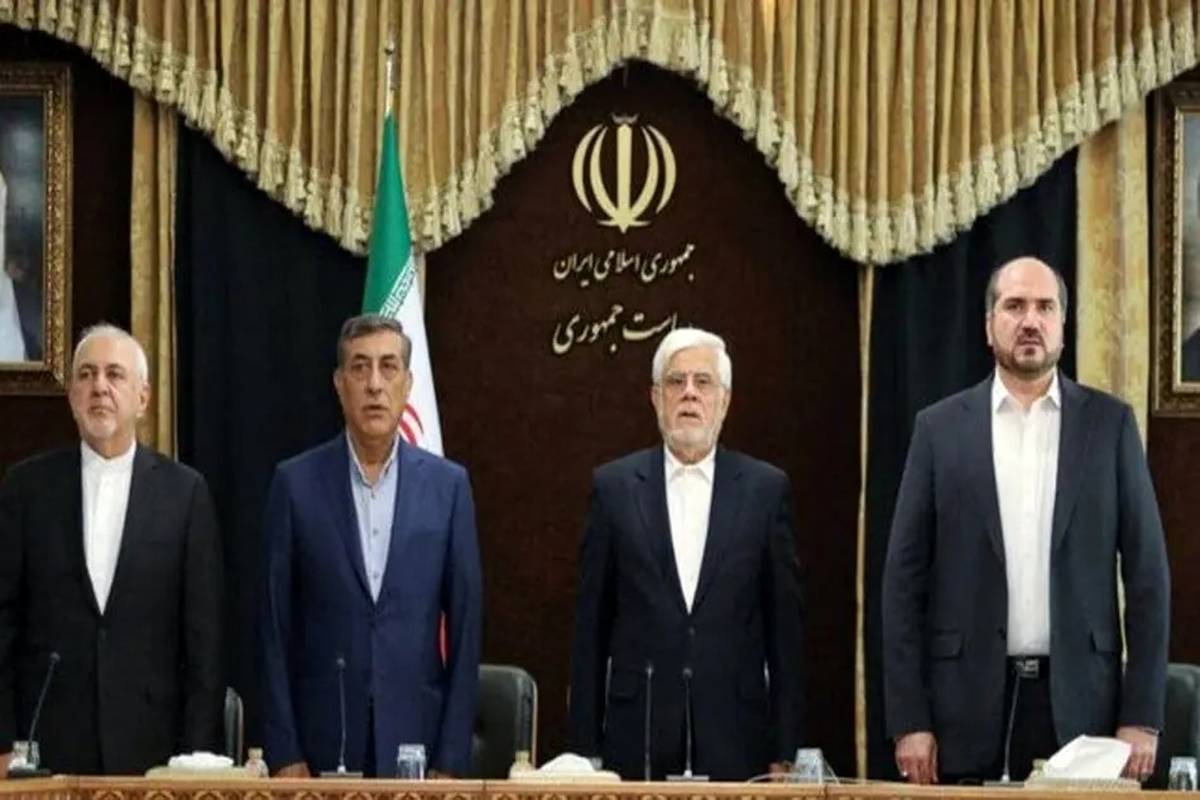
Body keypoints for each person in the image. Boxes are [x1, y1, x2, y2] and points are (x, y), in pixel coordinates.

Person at [883, 256, 1170, 784]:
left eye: (1045, 307)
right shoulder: (939, 430)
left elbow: (1148, 576)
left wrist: (1142, 715)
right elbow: (903, 583)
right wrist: (909, 720)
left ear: (1063, 324)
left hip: (1085, 709)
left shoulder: (1110, 426)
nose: (1031, 320)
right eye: (1014, 306)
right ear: (988, 325)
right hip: (963, 709)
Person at [568, 327, 805, 781]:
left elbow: (785, 634)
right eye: (676, 382)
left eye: (703, 382)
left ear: (725, 401)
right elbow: (590, 630)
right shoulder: (614, 488)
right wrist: (584, 750)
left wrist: (785, 749)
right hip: (637, 736)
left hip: (736, 737)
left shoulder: (765, 490)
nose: (689, 393)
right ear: (656, 398)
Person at [260, 314, 481, 778]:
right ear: (340, 385)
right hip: (321, 745)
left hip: (418, 744)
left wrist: (450, 760)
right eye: (360, 368)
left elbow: (465, 629)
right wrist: (284, 752)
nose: (375, 384)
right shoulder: (295, 485)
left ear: (408, 384)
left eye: (388, 367)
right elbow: (273, 629)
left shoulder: (448, 488)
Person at [0, 324, 224, 775]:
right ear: (72, 398)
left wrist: (197, 758)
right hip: (46, 748)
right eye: (86, 374)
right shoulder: (27, 488)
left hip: (154, 750)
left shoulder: (185, 493)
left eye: (114, 374)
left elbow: (205, 642)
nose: (99, 386)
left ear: (143, 398)